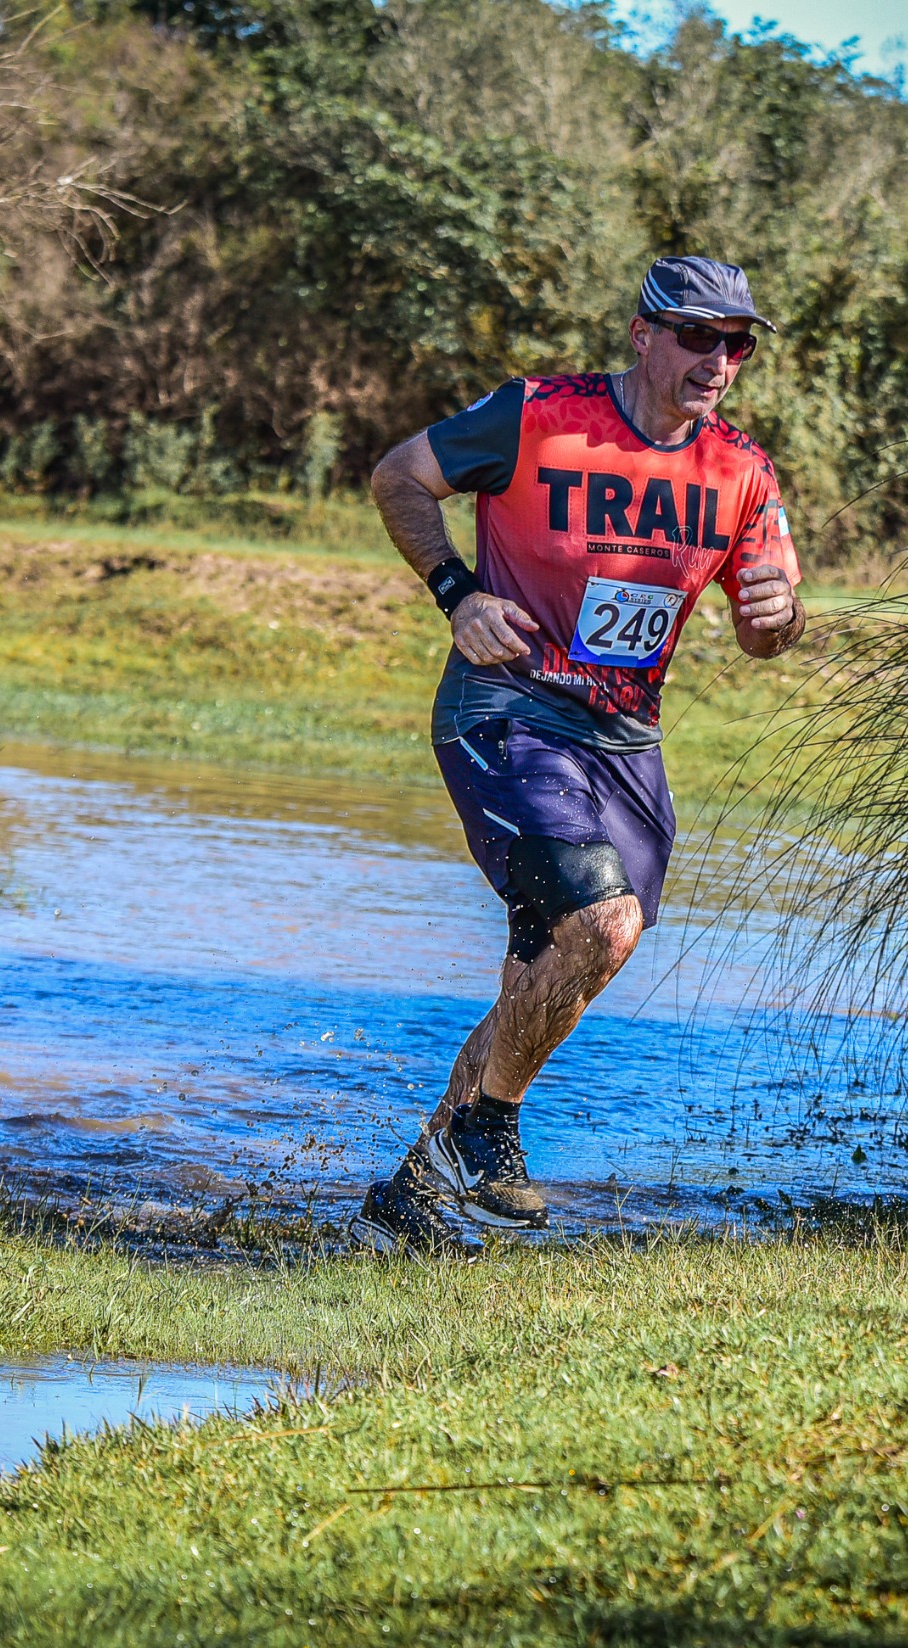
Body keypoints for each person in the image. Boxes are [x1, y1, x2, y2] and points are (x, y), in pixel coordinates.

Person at [347, 255, 806, 1253]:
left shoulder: (740, 471)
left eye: (737, 343)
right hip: (506, 708)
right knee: (596, 920)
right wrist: (457, 593)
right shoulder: (537, 416)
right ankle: (489, 1130)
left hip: (626, 743)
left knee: (566, 963)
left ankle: (415, 1191)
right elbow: (399, 476)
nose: (718, 359)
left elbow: (768, 622)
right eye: (697, 334)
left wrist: (779, 614)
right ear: (642, 335)